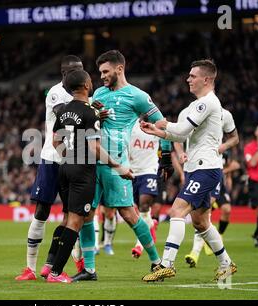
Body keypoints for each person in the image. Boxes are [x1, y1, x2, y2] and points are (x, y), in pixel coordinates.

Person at [75, 50, 173, 282]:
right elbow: (89, 120)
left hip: (116, 164)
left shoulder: (137, 96)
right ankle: (89, 270)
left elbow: (161, 122)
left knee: (128, 213)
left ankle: (156, 263)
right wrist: (96, 113)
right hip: (93, 162)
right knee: (87, 214)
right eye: (100, 72)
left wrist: (166, 153)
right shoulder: (98, 93)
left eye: (106, 72)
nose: (102, 76)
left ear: (120, 69)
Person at [141, 59, 237, 282]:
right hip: (198, 169)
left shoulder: (208, 103)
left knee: (176, 211)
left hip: (206, 168)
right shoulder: (197, 105)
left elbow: (181, 128)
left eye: (192, 76)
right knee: (201, 222)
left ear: (206, 79)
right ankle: (226, 264)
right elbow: (181, 136)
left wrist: (163, 124)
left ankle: (167, 264)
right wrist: (156, 131)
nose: (188, 79)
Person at [46, 69, 133, 283]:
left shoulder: (64, 110)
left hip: (65, 167)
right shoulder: (90, 112)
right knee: (76, 221)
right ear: (86, 85)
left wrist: (68, 157)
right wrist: (117, 166)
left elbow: (55, 141)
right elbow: (94, 148)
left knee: (70, 219)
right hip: (82, 171)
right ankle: (56, 273)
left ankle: (52, 268)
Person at [16, 55, 85, 281]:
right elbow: (65, 114)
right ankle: (30, 269)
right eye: (75, 71)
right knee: (42, 211)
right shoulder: (56, 92)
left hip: (73, 161)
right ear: (64, 73)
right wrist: (91, 108)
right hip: (51, 158)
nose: (79, 74)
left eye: (81, 70)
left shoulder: (84, 96)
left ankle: (53, 265)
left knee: (70, 216)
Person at [181, 107, 240, 267]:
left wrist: (228, 174)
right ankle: (198, 252)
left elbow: (233, 156)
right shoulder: (198, 129)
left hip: (216, 176)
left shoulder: (222, 142)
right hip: (203, 173)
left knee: (221, 211)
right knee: (202, 216)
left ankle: (214, 239)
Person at [129, 118, 160, 258]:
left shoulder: (157, 126)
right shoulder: (131, 123)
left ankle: (139, 245)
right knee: (141, 211)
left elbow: (168, 137)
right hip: (131, 172)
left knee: (144, 204)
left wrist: (166, 158)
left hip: (149, 170)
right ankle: (151, 226)